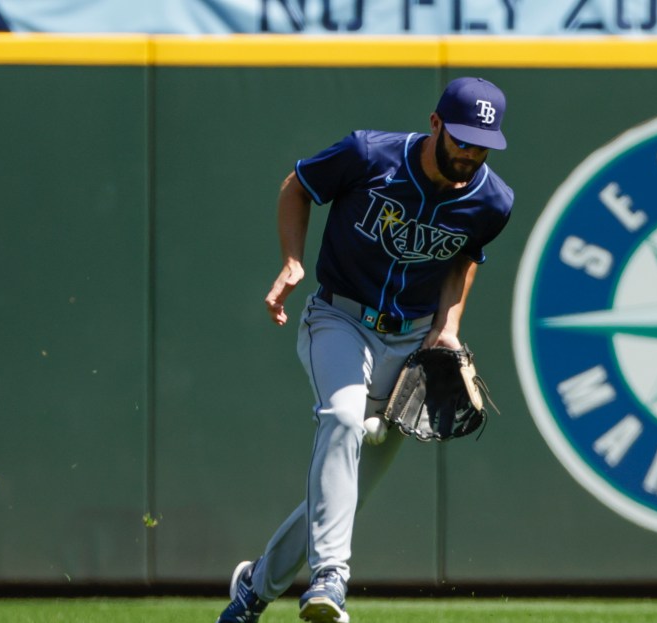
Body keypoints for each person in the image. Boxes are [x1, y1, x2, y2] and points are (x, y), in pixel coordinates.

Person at [216, 77, 514, 623]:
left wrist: (447, 329)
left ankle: (253, 592)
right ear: (435, 124)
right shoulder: (368, 153)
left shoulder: (492, 200)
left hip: (409, 345)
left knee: (341, 493)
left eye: (482, 144)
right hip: (338, 318)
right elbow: (298, 185)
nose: (470, 153)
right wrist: (292, 260)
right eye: (463, 138)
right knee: (344, 418)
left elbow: (464, 258)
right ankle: (332, 578)